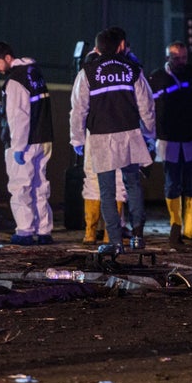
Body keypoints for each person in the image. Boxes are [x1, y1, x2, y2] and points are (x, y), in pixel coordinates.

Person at [70, 27, 156, 254]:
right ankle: (137, 236)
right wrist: (149, 135)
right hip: (129, 135)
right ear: (120, 46)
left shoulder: (87, 72)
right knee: (133, 185)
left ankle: (115, 242)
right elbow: (147, 106)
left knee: (107, 191)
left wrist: (77, 139)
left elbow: (78, 110)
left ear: (97, 49)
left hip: (101, 138)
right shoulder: (133, 69)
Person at [0, 41, 54, 245]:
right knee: (40, 185)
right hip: (44, 138)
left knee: (20, 186)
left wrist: (17, 146)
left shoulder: (15, 80)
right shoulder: (35, 73)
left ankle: (25, 230)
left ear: (7, 58)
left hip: (25, 143)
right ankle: (44, 230)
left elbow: (19, 117)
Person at [147, 41, 192, 245]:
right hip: (168, 138)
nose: (181, 62)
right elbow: (150, 108)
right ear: (167, 58)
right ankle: (176, 224)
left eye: (184, 57)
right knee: (172, 183)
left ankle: (190, 228)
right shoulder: (156, 78)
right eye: (176, 58)